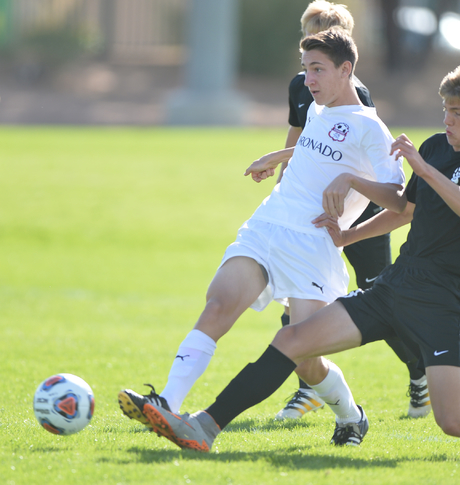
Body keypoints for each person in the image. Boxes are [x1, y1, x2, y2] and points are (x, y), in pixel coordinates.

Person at [138, 58, 460, 462]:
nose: (448, 121)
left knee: (456, 420)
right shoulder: (433, 146)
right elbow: (404, 212)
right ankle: (203, 426)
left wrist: (424, 169)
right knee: (292, 339)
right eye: (445, 111)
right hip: (396, 284)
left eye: (459, 113)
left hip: (440, 299)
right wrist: (347, 235)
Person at [118, 27, 406, 446]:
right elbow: (317, 147)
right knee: (218, 305)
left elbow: (399, 198)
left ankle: (351, 416)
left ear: (347, 71)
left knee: (306, 361)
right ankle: (166, 403)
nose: (309, 80)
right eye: (306, 69)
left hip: (313, 246)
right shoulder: (317, 109)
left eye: (318, 70)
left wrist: (351, 183)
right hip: (269, 224)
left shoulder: (371, 129)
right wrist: (280, 154)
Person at [275, 0, 429, 422]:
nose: (311, 68)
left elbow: (361, 155)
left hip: (356, 213)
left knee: (377, 297)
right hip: (312, 208)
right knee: (298, 292)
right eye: (310, 32)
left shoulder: (354, 95)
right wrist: (283, 171)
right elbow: (303, 134)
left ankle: (421, 371)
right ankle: (308, 388)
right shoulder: (300, 84)